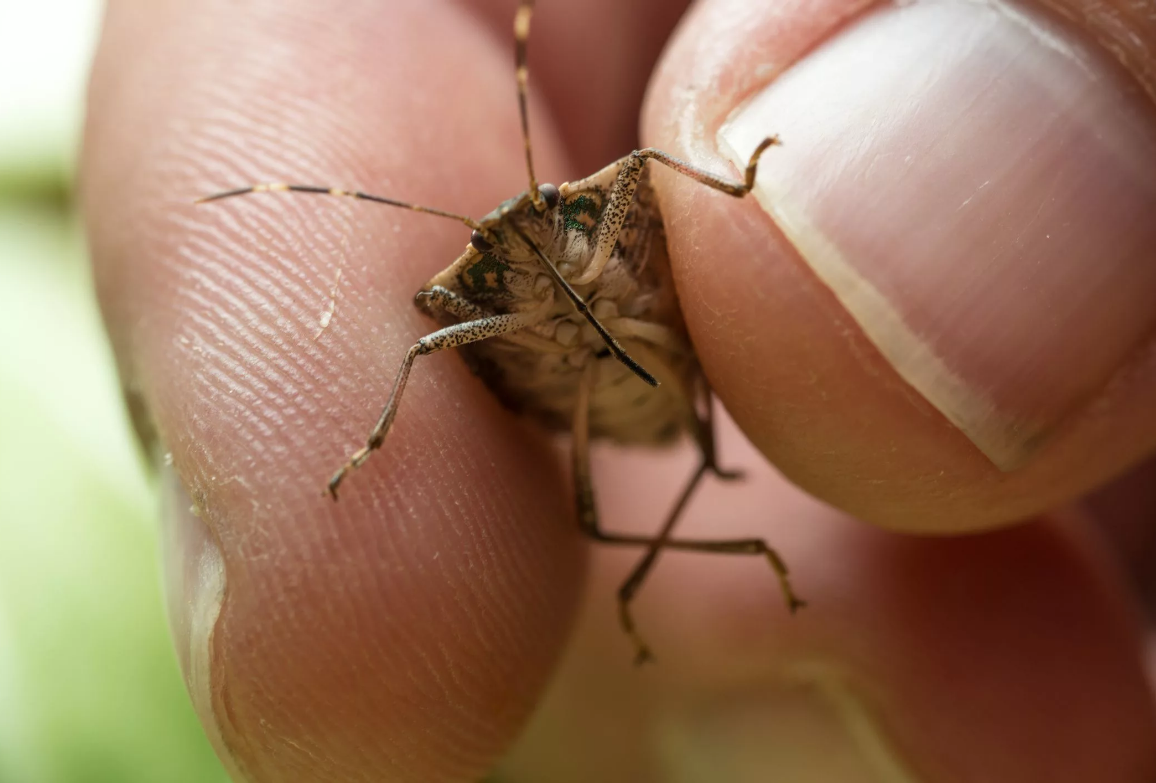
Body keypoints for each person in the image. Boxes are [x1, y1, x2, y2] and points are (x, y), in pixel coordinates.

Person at [82, 0, 1156, 780]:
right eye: (516, 254)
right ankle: (734, 556)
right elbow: (416, 336)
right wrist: (364, 452)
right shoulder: (497, 292)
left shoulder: (607, 211)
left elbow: (652, 163)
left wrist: (737, 187)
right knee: (592, 530)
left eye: (545, 232)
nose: (538, 252)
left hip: (670, 363)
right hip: (595, 399)